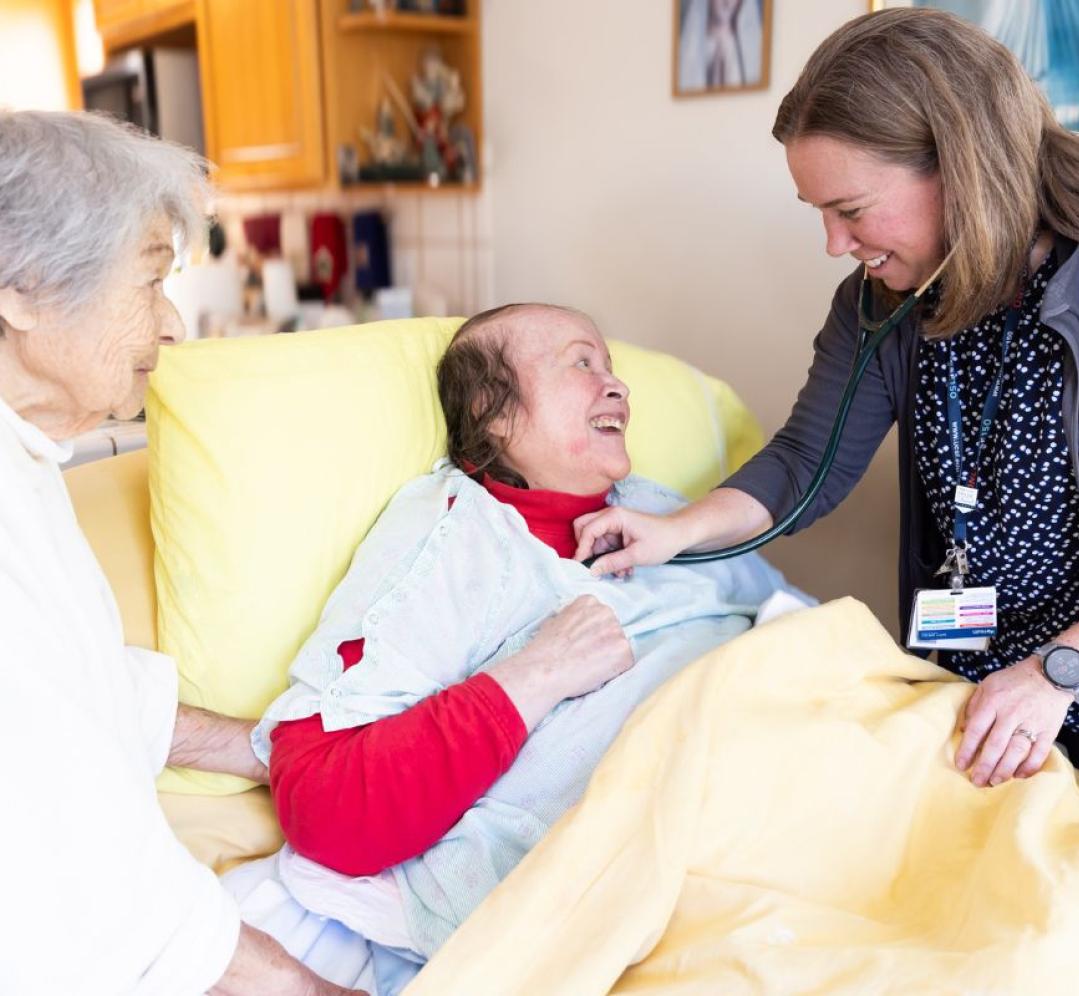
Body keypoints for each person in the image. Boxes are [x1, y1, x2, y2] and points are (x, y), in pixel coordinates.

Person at [576, 7, 1079, 793]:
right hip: (968, 697)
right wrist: (672, 533)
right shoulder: (883, 304)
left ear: (961, 166)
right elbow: (804, 462)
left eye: (849, 210)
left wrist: (1056, 673)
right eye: (819, 214)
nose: (834, 245)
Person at [236, 303, 801, 993]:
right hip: (679, 856)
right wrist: (537, 673)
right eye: (580, 363)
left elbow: (799, 630)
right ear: (493, 412)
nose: (616, 386)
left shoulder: (664, 514)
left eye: (612, 367)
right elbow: (324, 801)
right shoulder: (457, 539)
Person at [0, 110, 365, 996]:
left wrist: (281, 748)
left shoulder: (27, 454)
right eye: (149, 281)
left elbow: (83, 688)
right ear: (24, 290)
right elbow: (96, 890)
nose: (171, 325)